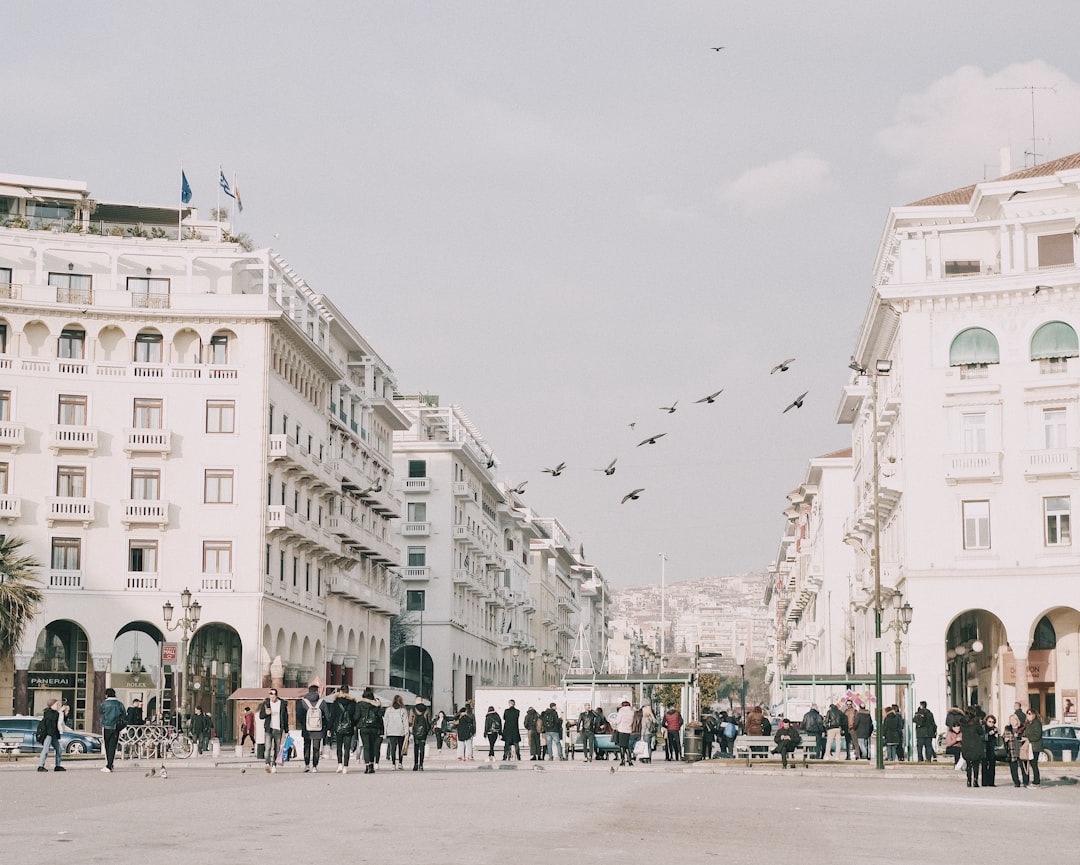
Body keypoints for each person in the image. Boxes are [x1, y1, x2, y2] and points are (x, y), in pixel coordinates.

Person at [297, 683, 329, 772]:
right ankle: (314, 766)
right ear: (317, 691)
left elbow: (299, 715)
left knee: (307, 746)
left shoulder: (303, 702)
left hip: (307, 728)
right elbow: (327, 716)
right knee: (316, 747)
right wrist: (325, 726)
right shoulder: (322, 702)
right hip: (318, 728)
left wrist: (304, 723)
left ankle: (307, 765)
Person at [260, 688, 288, 773]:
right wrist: (266, 713)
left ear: (276, 695)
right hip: (269, 729)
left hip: (278, 729)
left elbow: (285, 717)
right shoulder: (266, 703)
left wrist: (286, 731)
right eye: (270, 695)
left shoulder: (282, 704)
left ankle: (274, 765)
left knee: (277, 748)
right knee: (268, 747)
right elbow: (261, 716)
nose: (272, 697)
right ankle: (267, 763)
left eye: (273, 695)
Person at [99, 688, 126, 773]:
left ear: (106, 695)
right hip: (116, 727)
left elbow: (100, 711)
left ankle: (108, 765)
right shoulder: (119, 704)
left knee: (107, 746)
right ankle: (110, 764)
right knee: (112, 746)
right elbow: (124, 714)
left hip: (107, 726)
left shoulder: (104, 704)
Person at [356, 687, 383, 774]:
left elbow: (356, 716)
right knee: (372, 747)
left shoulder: (360, 704)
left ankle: (367, 766)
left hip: (363, 727)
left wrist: (356, 724)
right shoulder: (376, 704)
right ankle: (372, 766)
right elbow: (380, 716)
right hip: (374, 727)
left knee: (366, 747)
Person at [332, 685, 357, 774]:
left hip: (338, 727)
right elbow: (355, 716)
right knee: (347, 747)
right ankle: (345, 766)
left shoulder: (336, 702)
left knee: (339, 746)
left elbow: (333, 715)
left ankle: (339, 764)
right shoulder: (353, 703)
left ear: (341, 691)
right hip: (349, 727)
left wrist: (330, 727)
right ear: (348, 692)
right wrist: (353, 724)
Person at [36, 698, 65, 772]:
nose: (57, 705)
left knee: (59, 749)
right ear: (52, 705)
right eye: (56, 704)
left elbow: (60, 721)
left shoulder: (56, 712)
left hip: (54, 734)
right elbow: (52, 720)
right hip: (48, 734)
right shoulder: (48, 712)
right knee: (45, 750)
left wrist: (65, 713)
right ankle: (40, 766)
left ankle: (57, 765)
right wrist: (60, 711)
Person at [959, 708, 984, 788]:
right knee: (976, 764)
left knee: (968, 764)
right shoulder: (976, 722)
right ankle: (975, 780)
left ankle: (968, 780)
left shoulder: (962, 722)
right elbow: (981, 732)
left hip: (966, 744)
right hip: (975, 744)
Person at [384, 694, 409, 770]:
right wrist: (406, 732)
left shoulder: (388, 710)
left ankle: (393, 764)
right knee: (401, 747)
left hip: (391, 731)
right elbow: (405, 722)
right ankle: (400, 763)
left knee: (393, 748)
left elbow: (385, 721)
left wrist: (385, 732)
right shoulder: (403, 710)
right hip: (400, 731)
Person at [1002, 724, 1029, 788]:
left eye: (1014, 719)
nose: (1013, 721)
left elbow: (1026, 737)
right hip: (1012, 751)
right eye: (1011, 720)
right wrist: (1005, 740)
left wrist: (1020, 737)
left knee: (1024, 768)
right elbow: (1003, 739)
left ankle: (1026, 782)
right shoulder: (1007, 729)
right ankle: (1016, 782)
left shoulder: (1022, 729)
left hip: (1021, 750)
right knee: (1013, 768)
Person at [410, 698, 432, 771]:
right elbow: (429, 720)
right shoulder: (427, 709)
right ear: (422, 701)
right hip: (424, 732)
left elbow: (410, 721)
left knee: (416, 748)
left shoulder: (413, 710)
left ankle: (415, 764)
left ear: (416, 701)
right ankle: (421, 765)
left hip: (415, 731)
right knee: (422, 748)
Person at [1024, 709, 1043, 787]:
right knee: (1032, 763)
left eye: (1030, 714)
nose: (1029, 715)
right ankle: (1035, 780)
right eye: (1028, 714)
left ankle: (1036, 781)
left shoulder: (1037, 723)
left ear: (1034, 714)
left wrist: (1028, 738)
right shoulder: (1029, 724)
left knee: (1034, 763)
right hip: (1030, 746)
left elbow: (1037, 735)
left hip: (1035, 746)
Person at [614, 700, 635, 766]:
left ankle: (622, 760)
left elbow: (617, 721)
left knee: (622, 746)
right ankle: (629, 760)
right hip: (629, 730)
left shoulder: (621, 711)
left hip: (622, 730)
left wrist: (613, 721)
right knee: (628, 746)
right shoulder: (632, 711)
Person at [982, 714, 999, 787]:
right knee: (984, 765)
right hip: (985, 748)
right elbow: (981, 737)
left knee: (992, 765)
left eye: (993, 722)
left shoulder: (995, 729)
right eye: (989, 721)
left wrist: (996, 735)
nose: (991, 723)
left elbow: (997, 740)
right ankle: (984, 782)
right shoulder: (983, 728)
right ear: (986, 721)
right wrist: (988, 734)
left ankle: (991, 782)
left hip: (992, 748)